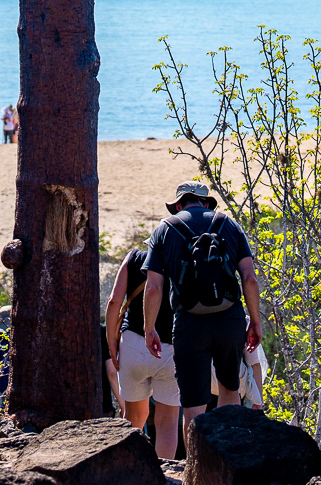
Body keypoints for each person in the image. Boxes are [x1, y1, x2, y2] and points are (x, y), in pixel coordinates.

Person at [142, 182, 262, 450]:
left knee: (193, 405)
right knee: (230, 391)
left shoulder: (164, 229)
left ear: (179, 204)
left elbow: (153, 288)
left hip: (188, 323)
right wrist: (254, 321)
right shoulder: (229, 225)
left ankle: (196, 471)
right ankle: (228, 464)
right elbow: (250, 279)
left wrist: (150, 328)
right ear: (207, 202)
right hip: (229, 319)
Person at [105, 237, 179, 458]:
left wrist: (111, 341)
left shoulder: (134, 258)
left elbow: (113, 302)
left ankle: (130, 475)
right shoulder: (179, 261)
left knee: (133, 420)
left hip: (133, 345)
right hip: (170, 349)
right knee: (168, 422)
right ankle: (164, 478)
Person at [212, 337, 268, 410]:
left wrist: (258, 402)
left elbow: (254, 363)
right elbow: (254, 363)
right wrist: (258, 402)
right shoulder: (241, 326)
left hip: (206, 389)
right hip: (231, 389)